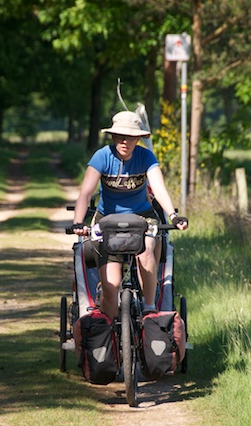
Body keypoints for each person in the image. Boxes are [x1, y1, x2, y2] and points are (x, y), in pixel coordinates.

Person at [72, 111, 188, 320]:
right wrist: (78, 223)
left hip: (143, 216)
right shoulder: (102, 157)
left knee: (147, 251)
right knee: (111, 286)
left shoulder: (146, 157)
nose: (125, 141)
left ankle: (149, 308)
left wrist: (173, 216)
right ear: (113, 137)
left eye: (131, 137)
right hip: (107, 219)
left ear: (138, 139)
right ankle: (111, 336)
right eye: (119, 136)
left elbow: (159, 189)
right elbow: (86, 192)